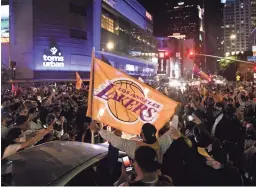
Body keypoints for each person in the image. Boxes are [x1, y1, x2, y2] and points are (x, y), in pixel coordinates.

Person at [89, 104, 181, 163]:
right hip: (155, 178)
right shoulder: (161, 144)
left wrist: (99, 130)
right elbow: (172, 131)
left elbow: (116, 140)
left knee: (125, 160)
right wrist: (176, 114)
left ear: (142, 135)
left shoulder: (134, 147)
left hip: (137, 178)